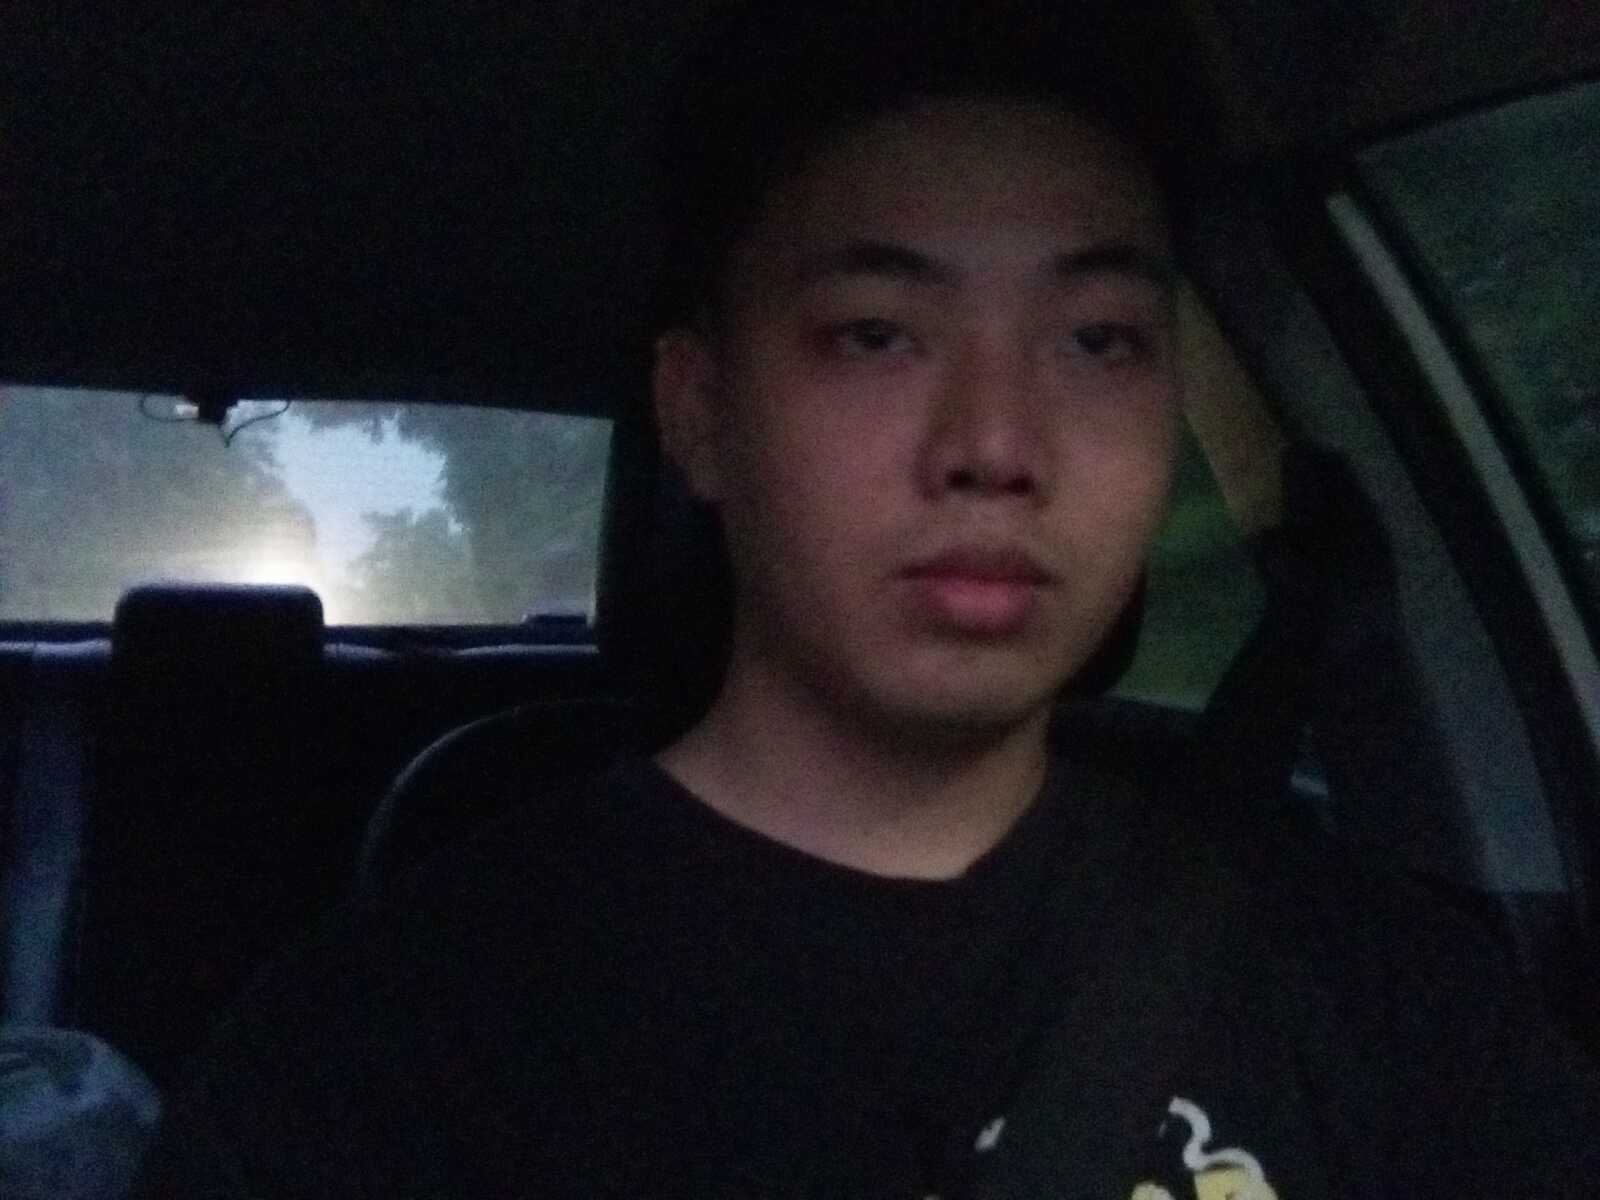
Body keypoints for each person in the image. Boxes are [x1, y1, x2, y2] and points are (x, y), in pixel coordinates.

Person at [135, 3, 1599, 1197]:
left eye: (1097, 340)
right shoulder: (382, 1060)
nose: (997, 445)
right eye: (878, 334)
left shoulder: (1396, 1004)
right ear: (698, 412)